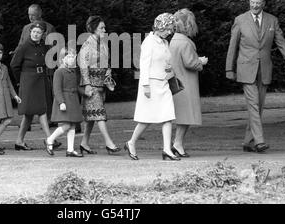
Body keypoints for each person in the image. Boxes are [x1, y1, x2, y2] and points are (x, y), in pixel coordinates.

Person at [226, 0, 285, 153]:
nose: (255, 5)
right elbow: (232, 46)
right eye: (252, 2)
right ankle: (259, 141)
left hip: (264, 70)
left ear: (264, 3)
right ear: (249, 2)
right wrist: (229, 68)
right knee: (253, 104)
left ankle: (247, 142)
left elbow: (281, 41)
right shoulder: (240, 20)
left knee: (259, 106)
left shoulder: (272, 20)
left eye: (258, 3)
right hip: (246, 69)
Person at [125, 13, 179, 161]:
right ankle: (131, 142)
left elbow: (166, 61)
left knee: (168, 116)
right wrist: (145, 86)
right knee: (146, 119)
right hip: (151, 84)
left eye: (171, 28)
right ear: (160, 27)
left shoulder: (164, 43)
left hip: (163, 83)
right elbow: (144, 65)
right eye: (168, 28)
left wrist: (169, 69)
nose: (170, 31)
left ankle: (167, 149)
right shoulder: (148, 42)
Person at [10, 20, 60, 151]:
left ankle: (19, 141)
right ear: (30, 32)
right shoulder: (24, 46)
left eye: (39, 32)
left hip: (40, 80)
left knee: (29, 114)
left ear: (43, 34)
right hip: (28, 81)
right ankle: (50, 139)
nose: (36, 34)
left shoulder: (43, 46)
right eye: (34, 32)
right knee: (41, 110)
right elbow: (14, 65)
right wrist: (20, 81)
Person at [78, 15, 120, 155]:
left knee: (92, 116)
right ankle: (109, 143)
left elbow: (107, 63)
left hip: (101, 84)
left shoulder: (103, 44)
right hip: (91, 85)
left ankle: (84, 143)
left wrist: (108, 77)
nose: (104, 29)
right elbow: (83, 67)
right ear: (94, 28)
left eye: (104, 27)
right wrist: (87, 85)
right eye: (102, 27)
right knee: (100, 113)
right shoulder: (86, 45)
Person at [169, 9, 208, 158]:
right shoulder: (185, 42)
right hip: (186, 83)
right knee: (186, 116)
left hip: (177, 82)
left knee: (183, 116)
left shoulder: (173, 40)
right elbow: (191, 63)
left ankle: (177, 144)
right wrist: (201, 62)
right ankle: (177, 144)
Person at [15, 4, 58, 129]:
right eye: (29, 15)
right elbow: (20, 45)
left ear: (40, 14)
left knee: (46, 95)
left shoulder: (49, 28)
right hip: (28, 68)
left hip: (45, 67)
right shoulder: (26, 28)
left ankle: (49, 119)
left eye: (33, 15)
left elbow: (53, 49)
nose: (30, 17)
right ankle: (27, 122)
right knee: (28, 96)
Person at [44, 48, 83, 157]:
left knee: (72, 125)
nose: (72, 59)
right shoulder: (59, 71)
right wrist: (61, 102)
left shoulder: (73, 71)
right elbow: (56, 89)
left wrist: (85, 93)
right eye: (69, 57)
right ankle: (50, 140)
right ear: (62, 59)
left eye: (73, 57)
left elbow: (76, 87)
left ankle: (70, 150)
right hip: (64, 101)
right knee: (66, 125)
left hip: (73, 100)